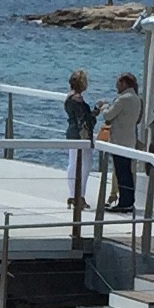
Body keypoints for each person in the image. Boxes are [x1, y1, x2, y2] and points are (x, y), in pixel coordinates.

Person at [99, 70, 144, 210]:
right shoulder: (137, 99)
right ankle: (129, 201)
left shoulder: (123, 99)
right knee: (127, 172)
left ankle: (124, 203)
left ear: (124, 83)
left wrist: (104, 107)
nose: (116, 86)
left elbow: (108, 115)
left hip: (119, 141)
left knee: (121, 172)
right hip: (130, 139)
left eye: (118, 83)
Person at [63, 70, 95, 206]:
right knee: (85, 165)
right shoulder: (77, 100)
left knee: (74, 163)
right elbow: (85, 119)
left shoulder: (69, 98)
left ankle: (74, 195)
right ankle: (78, 195)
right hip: (81, 135)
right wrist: (95, 113)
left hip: (73, 133)